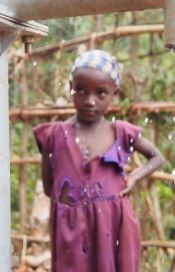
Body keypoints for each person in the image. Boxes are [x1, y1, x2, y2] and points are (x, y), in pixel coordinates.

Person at [33, 50, 165, 271]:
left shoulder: (120, 132)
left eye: (100, 93)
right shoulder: (54, 136)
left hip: (113, 224)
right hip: (71, 229)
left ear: (115, 93)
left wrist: (133, 177)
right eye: (81, 90)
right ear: (70, 88)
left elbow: (157, 157)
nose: (89, 101)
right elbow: (49, 188)